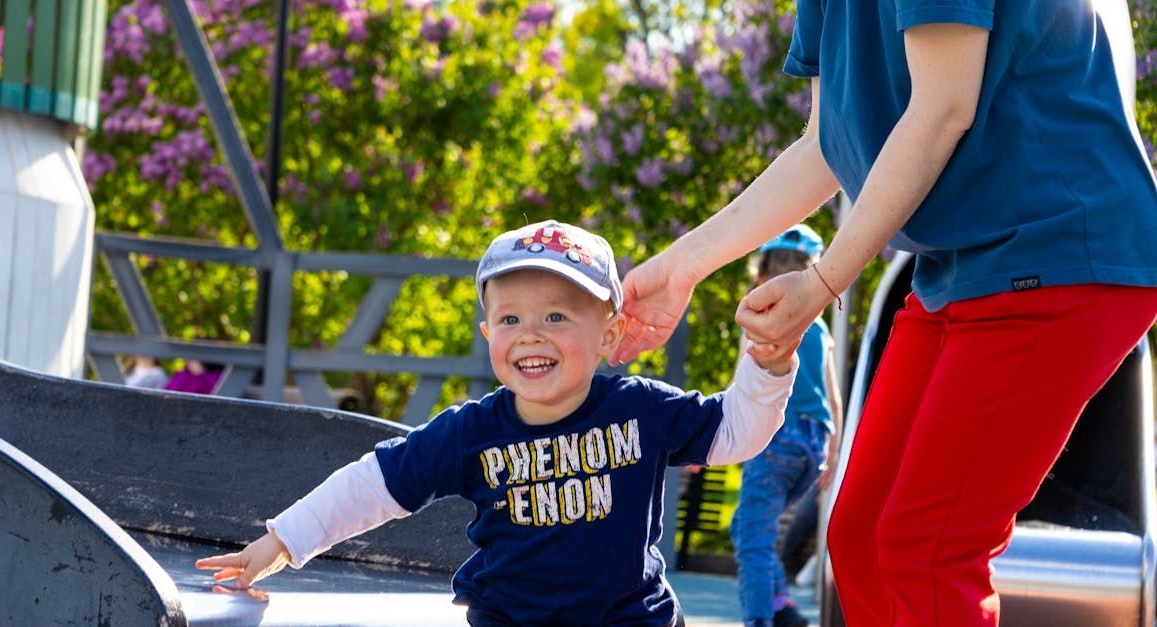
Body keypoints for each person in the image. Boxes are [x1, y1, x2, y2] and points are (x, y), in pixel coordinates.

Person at [607, 3, 1157, 625]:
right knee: (861, 537)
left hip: (1058, 249)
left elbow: (943, 107)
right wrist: (682, 266)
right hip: (960, 268)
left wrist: (822, 281)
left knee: (928, 549)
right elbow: (824, 147)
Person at [196, 220, 800, 626]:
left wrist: (767, 365)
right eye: (509, 320)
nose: (530, 335)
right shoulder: (472, 432)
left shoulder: (640, 409)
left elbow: (736, 432)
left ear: (609, 334)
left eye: (556, 316)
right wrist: (282, 542)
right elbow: (373, 484)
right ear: (488, 333)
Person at [729, 225, 843, 627]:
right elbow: (833, 397)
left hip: (777, 438)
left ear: (761, 279)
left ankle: (760, 619)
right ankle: (782, 608)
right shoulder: (821, 327)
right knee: (745, 526)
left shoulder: (762, 321)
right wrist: (833, 452)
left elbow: (742, 387)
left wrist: (708, 437)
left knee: (752, 540)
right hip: (813, 447)